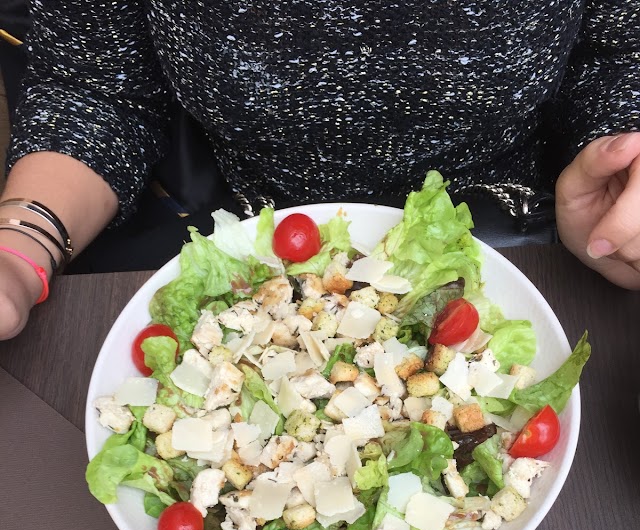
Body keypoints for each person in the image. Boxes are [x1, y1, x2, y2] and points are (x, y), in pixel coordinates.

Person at [0, 0, 639, 341]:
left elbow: (621, 49)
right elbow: (95, 85)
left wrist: (618, 167)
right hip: (255, 244)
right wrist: (20, 247)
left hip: (521, 238)